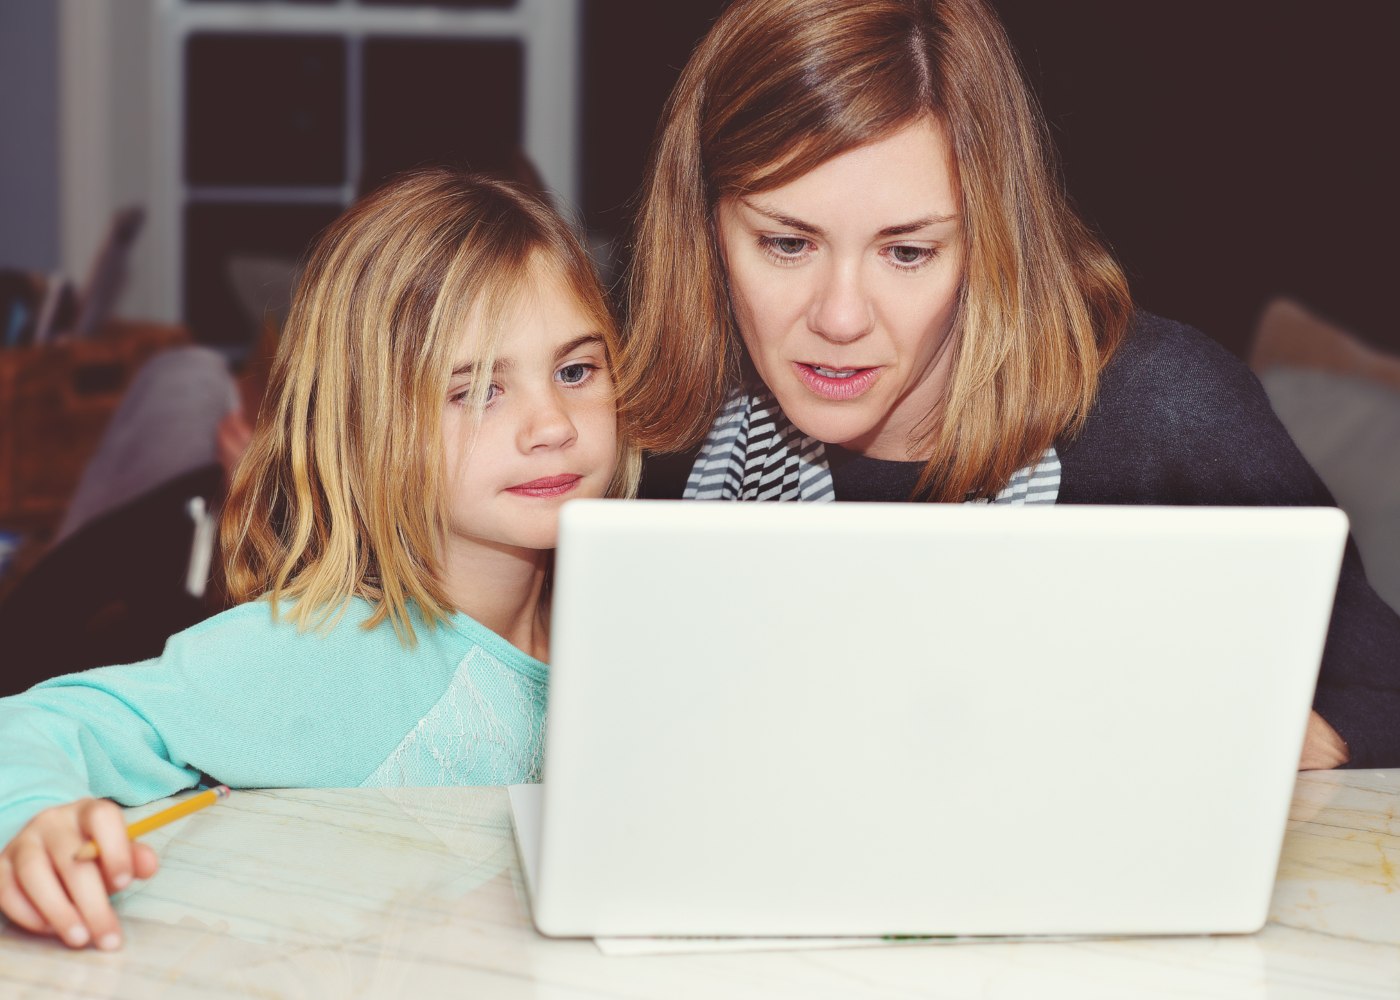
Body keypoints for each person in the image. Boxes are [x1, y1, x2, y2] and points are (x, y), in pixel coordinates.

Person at [620, 0, 1400, 769]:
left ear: (989, 235)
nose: (841, 316)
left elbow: (1381, 694)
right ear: (704, 223)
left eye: (908, 253)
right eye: (787, 244)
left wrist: (1241, 741)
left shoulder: (1166, 413)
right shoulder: (663, 436)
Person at [0, 167, 638, 950]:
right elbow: (35, 725)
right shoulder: (327, 652)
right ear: (365, 426)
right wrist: (30, 819)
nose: (552, 425)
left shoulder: (632, 629)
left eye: (575, 371)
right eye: (474, 391)